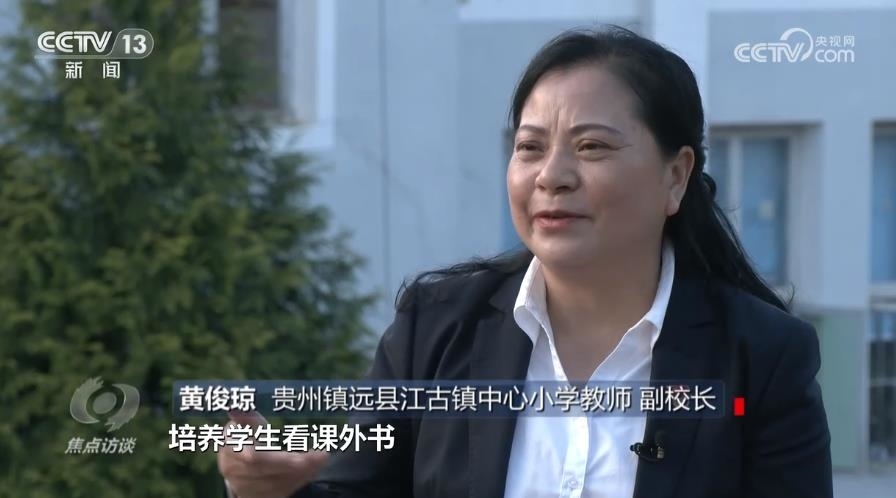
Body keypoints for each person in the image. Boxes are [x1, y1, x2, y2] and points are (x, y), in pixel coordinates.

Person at [218, 25, 833, 498]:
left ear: (676, 176)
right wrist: (272, 490)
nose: (551, 176)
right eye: (529, 147)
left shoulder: (761, 357)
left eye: (591, 147)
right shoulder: (436, 327)